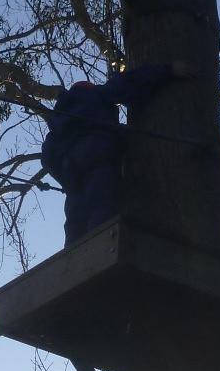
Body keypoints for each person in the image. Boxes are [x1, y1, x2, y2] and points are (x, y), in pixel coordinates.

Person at [40, 63, 187, 243]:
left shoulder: (58, 121)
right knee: (101, 205)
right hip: (97, 156)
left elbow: (47, 156)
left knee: (75, 218)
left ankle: (73, 256)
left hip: (70, 168)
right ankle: (101, 246)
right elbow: (128, 84)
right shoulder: (95, 94)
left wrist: (66, 180)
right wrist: (167, 70)